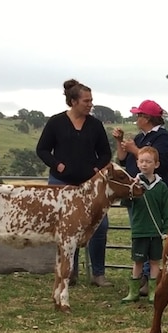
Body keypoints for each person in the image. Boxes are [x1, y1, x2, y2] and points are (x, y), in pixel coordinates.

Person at [36, 79, 112, 287]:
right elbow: (42, 149)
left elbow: (105, 153)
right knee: (67, 229)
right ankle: (69, 273)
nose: (90, 104)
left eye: (91, 100)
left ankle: (98, 274)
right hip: (61, 184)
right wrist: (57, 165)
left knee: (100, 226)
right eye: (86, 101)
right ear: (73, 101)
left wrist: (97, 168)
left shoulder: (95, 125)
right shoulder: (56, 122)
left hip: (89, 187)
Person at [113, 100, 168, 295]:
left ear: (147, 118)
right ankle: (143, 277)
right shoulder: (142, 137)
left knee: (152, 233)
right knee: (139, 230)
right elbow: (123, 160)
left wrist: (135, 149)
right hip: (136, 193)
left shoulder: (163, 139)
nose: (136, 118)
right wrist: (121, 142)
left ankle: (149, 279)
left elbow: (162, 163)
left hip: (153, 193)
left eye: (139, 115)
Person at [120, 147, 168, 304]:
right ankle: (133, 292)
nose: (145, 164)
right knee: (138, 261)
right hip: (139, 231)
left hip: (155, 232)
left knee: (155, 261)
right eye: (142, 161)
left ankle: (153, 291)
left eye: (149, 161)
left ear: (156, 164)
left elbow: (165, 210)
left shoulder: (161, 187)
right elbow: (125, 202)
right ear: (137, 163)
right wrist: (131, 189)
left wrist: (166, 228)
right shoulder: (134, 184)